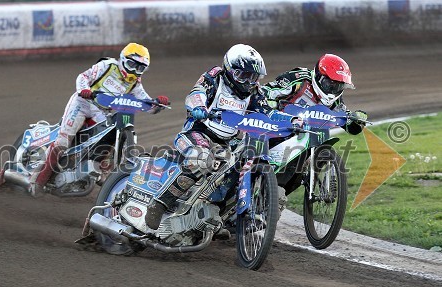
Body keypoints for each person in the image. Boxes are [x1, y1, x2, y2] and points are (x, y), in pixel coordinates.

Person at [145, 44, 286, 229]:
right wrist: (199, 107)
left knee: (243, 167)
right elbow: (197, 93)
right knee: (202, 160)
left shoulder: (255, 92)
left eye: (253, 77)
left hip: (228, 145)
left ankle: (226, 219)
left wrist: (293, 120)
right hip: (197, 132)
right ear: (229, 69)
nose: (248, 82)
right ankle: (159, 204)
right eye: (243, 75)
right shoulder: (214, 77)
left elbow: (268, 112)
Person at [29, 42, 169, 197]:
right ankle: (37, 182)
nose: (135, 71)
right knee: (62, 143)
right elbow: (83, 76)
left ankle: (96, 169)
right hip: (82, 104)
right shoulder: (107, 66)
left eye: (140, 68)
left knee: (108, 134)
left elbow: (145, 102)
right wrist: (84, 90)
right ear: (123, 59)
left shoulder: (135, 84)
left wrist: (158, 103)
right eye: (132, 64)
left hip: (102, 112)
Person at [261, 53, 367, 135]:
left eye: (339, 86)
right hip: (275, 126)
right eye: (331, 84)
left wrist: (357, 121)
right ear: (319, 76)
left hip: (304, 134)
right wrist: (271, 104)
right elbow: (265, 91)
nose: (333, 89)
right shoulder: (298, 78)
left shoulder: (335, 99)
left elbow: (347, 124)